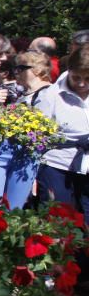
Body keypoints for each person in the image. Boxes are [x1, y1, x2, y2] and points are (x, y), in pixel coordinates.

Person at [0, 50, 52, 210]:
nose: (16, 72)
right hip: (8, 158)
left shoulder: (48, 95)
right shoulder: (23, 95)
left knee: (14, 210)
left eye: (21, 68)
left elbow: (46, 136)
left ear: (38, 70)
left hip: (26, 162)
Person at [35, 44, 89, 216]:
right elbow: (36, 136)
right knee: (58, 218)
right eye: (76, 77)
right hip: (57, 165)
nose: (81, 83)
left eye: (88, 79)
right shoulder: (51, 95)